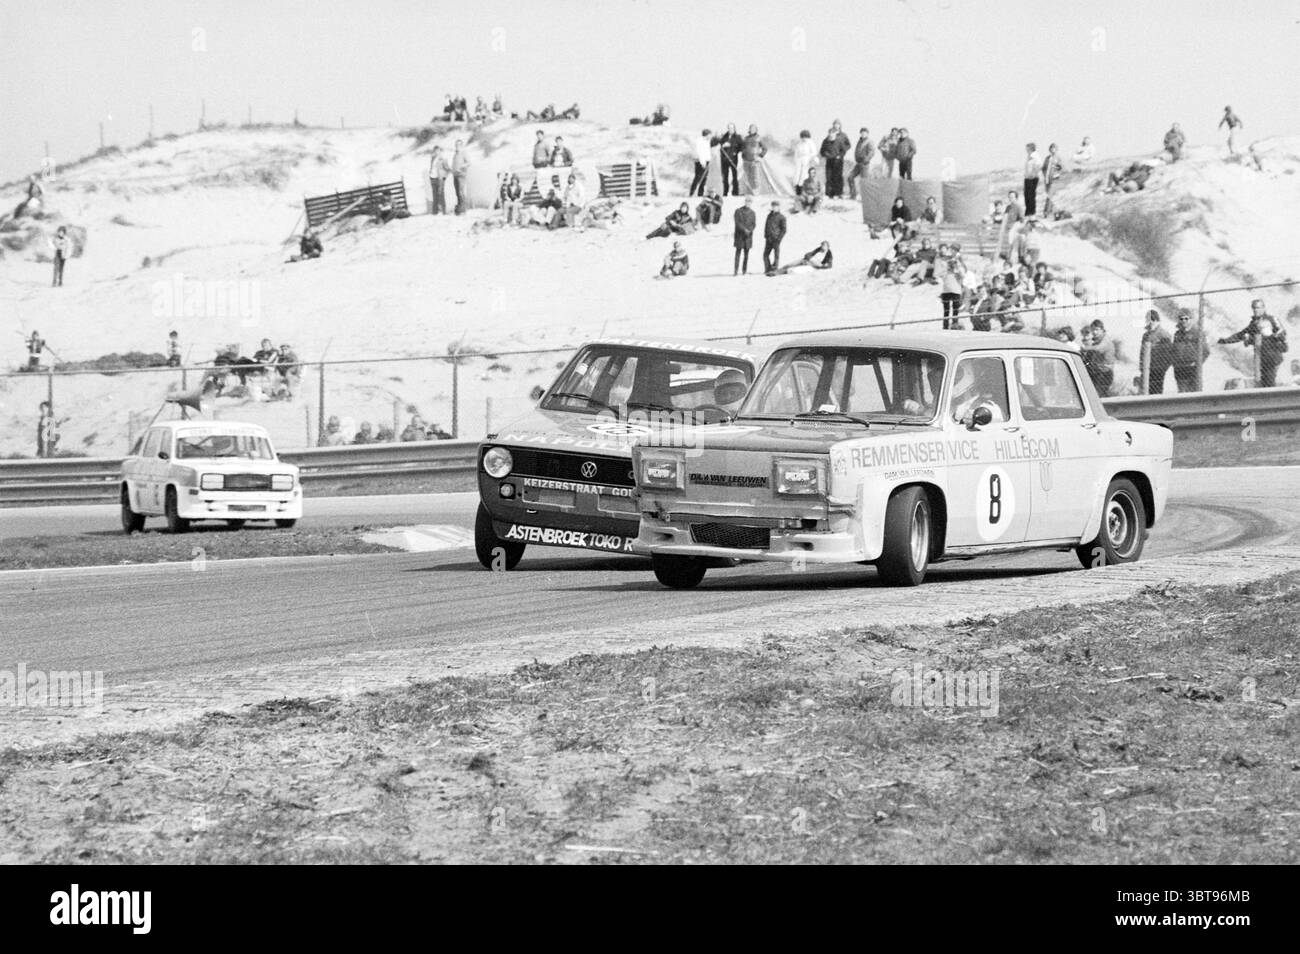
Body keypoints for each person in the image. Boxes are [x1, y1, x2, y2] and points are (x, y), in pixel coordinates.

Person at [1219, 299, 1289, 387]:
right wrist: (1226, 340)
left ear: (1264, 308)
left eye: (1258, 308)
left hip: (1273, 355)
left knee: (1269, 380)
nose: (1256, 310)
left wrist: (1265, 337)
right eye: (1254, 308)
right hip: (1261, 357)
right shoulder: (1254, 323)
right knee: (1264, 381)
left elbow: (1282, 332)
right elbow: (1241, 334)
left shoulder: (1271, 319)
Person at [1172, 310, 1208, 392]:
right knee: (1182, 394)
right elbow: (1173, 350)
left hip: (1192, 369)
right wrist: (1174, 363)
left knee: (1194, 394)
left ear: (1191, 319)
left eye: (1186, 318)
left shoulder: (1198, 333)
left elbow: (1206, 351)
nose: (1183, 321)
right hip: (1180, 369)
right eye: (1181, 319)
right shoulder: (1177, 334)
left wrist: (1197, 362)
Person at [1081, 320, 1118, 395]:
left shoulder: (1105, 340)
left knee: (1098, 395)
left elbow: (1100, 348)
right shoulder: (1096, 342)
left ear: (1102, 330)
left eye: (1097, 329)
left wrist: (1084, 348)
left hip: (1104, 373)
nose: (1094, 332)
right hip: (1095, 372)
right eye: (1093, 330)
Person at [1141, 310, 1174, 394]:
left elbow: (1169, 353)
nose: (1147, 322)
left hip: (1158, 368)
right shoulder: (1146, 335)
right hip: (1147, 367)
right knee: (1146, 390)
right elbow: (1142, 352)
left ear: (1154, 320)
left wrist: (1162, 368)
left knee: (1156, 390)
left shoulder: (1164, 335)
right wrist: (1142, 366)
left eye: (1149, 320)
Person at [820, 120, 851, 198]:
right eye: (834, 124)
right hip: (829, 160)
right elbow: (822, 151)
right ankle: (829, 194)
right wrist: (826, 155)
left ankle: (838, 193)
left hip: (838, 160)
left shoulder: (842, 136)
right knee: (829, 176)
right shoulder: (826, 140)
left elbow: (846, 147)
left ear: (840, 125)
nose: (831, 134)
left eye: (837, 124)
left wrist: (840, 156)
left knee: (837, 176)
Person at [936, 247, 966, 329]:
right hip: (946, 290)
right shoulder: (945, 268)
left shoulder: (959, 268)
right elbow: (940, 275)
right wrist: (947, 267)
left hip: (956, 290)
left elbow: (963, 275)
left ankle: (954, 325)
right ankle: (945, 326)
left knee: (955, 309)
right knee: (946, 310)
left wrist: (956, 267)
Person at [715, 123, 742, 197]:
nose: (730, 130)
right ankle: (725, 192)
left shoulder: (738, 137)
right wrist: (723, 145)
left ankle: (735, 192)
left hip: (733, 159)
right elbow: (719, 146)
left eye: (732, 128)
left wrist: (735, 152)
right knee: (725, 177)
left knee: (734, 176)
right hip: (724, 160)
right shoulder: (724, 137)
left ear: (734, 129)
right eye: (729, 128)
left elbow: (741, 147)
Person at [848, 127, 874, 199]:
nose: (863, 134)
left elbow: (871, 152)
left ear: (867, 134)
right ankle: (853, 195)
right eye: (862, 132)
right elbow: (857, 151)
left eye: (864, 132)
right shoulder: (859, 141)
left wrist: (865, 160)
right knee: (850, 177)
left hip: (865, 164)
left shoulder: (869, 141)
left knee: (864, 181)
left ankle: (866, 197)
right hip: (858, 163)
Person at [733, 196, 756, 276]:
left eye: (750, 202)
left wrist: (750, 230)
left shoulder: (753, 213)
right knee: (738, 254)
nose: (748, 203)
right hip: (740, 236)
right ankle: (736, 270)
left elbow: (754, 224)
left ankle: (744, 270)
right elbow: (737, 222)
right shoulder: (738, 211)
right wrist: (744, 230)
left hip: (748, 237)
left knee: (746, 255)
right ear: (745, 202)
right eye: (747, 201)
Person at [762, 200, 787, 275]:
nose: (774, 208)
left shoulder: (781, 217)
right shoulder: (769, 216)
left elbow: (784, 229)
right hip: (769, 238)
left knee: (776, 255)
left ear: (779, 207)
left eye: (776, 206)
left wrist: (779, 238)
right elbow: (766, 226)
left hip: (776, 238)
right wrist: (766, 235)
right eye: (773, 206)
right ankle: (767, 268)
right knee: (765, 255)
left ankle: (775, 268)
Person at [740, 125, 766, 195]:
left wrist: (760, 156)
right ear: (749, 129)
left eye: (753, 129)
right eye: (751, 128)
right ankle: (748, 192)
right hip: (746, 161)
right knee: (747, 177)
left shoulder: (758, 138)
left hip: (755, 161)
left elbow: (765, 148)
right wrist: (743, 156)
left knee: (755, 177)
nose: (752, 130)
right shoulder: (746, 138)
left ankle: (756, 192)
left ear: (756, 130)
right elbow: (743, 148)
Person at [1040, 143, 1063, 216]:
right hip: (1047, 180)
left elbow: (1060, 168)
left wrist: (1055, 170)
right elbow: (1043, 168)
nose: (1052, 149)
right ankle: (1051, 211)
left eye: (1054, 148)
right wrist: (1044, 175)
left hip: (1054, 180)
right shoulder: (1047, 158)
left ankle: (1045, 212)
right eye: (1051, 148)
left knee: (1050, 195)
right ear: (1049, 149)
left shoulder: (1058, 158)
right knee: (1050, 196)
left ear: (1056, 149)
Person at [792, 130, 817, 195]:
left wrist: (810, 159)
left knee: (804, 175)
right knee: (797, 175)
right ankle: (798, 191)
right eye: (803, 137)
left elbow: (814, 152)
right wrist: (796, 161)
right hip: (799, 160)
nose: (804, 138)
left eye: (805, 137)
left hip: (807, 160)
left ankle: (805, 191)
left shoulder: (811, 143)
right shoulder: (799, 144)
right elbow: (796, 153)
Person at [428, 145, 450, 215]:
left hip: (440, 179)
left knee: (441, 195)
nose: (436, 152)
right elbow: (432, 167)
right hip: (432, 178)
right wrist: (430, 174)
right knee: (434, 196)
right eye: (435, 151)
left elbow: (448, 169)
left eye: (438, 150)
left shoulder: (443, 159)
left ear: (440, 151)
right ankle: (435, 212)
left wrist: (444, 177)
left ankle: (444, 211)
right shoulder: (432, 158)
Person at [691, 129, 712, 197]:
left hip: (707, 161)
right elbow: (700, 152)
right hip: (701, 161)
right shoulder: (700, 141)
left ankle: (700, 193)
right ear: (707, 134)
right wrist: (702, 162)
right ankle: (692, 192)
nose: (710, 136)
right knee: (698, 177)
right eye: (710, 134)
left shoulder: (707, 141)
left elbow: (708, 152)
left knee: (704, 178)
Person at [451, 140, 470, 214]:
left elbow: (469, 162)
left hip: (461, 175)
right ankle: (459, 208)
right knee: (457, 192)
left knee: (461, 192)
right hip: (455, 174)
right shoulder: (455, 154)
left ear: (462, 146)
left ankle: (463, 208)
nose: (457, 146)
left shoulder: (463, 153)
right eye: (456, 145)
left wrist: (462, 166)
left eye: (458, 145)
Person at [1022, 142, 1041, 217]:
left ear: (1031, 148)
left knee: (1030, 195)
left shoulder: (1034, 155)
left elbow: (1039, 165)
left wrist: (1033, 173)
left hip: (1032, 178)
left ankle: (1031, 212)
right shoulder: (1029, 156)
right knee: (1027, 195)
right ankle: (1028, 211)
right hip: (1028, 178)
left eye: (1027, 148)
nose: (1026, 149)